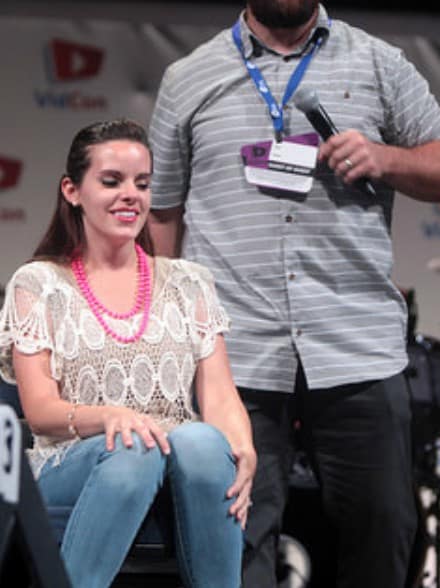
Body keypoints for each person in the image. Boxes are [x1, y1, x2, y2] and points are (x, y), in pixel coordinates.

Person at [147, 0, 440, 587]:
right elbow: (163, 217)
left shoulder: (380, 64)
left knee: (383, 533)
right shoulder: (188, 79)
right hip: (234, 353)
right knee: (237, 536)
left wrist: (387, 158)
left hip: (356, 341)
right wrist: (167, 337)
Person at [0, 118, 256, 588]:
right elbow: (39, 412)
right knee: (134, 446)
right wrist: (111, 416)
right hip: (74, 457)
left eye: (142, 183)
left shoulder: (188, 282)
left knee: (204, 442)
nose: (131, 195)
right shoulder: (39, 284)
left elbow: (219, 395)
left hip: (175, 450)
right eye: (112, 181)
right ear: (73, 190)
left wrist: (242, 448)